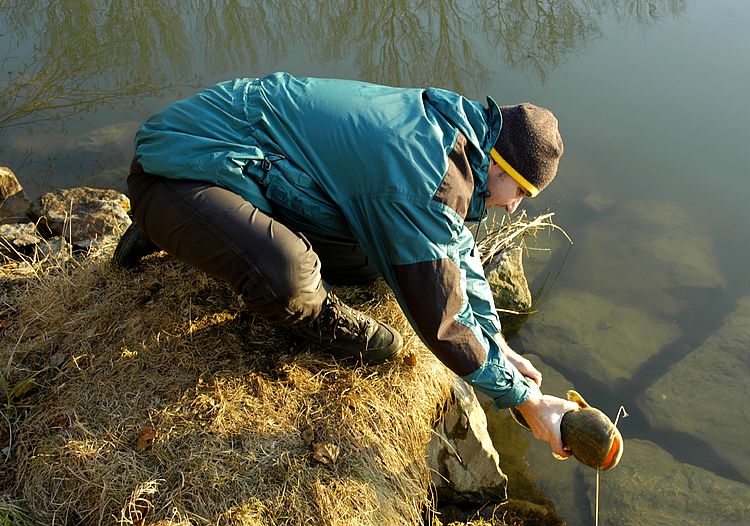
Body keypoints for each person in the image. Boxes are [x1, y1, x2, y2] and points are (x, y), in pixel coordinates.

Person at [113, 72, 580, 459]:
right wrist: (527, 401)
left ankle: (192, 227)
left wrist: (498, 341)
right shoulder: (426, 173)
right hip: (179, 165)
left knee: (368, 260)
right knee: (290, 279)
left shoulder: (458, 137)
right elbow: (442, 321)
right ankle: (163, 223)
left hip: (253, 169)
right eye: (519, 192)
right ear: (498, 166)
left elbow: (454, 248)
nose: (515, 208)